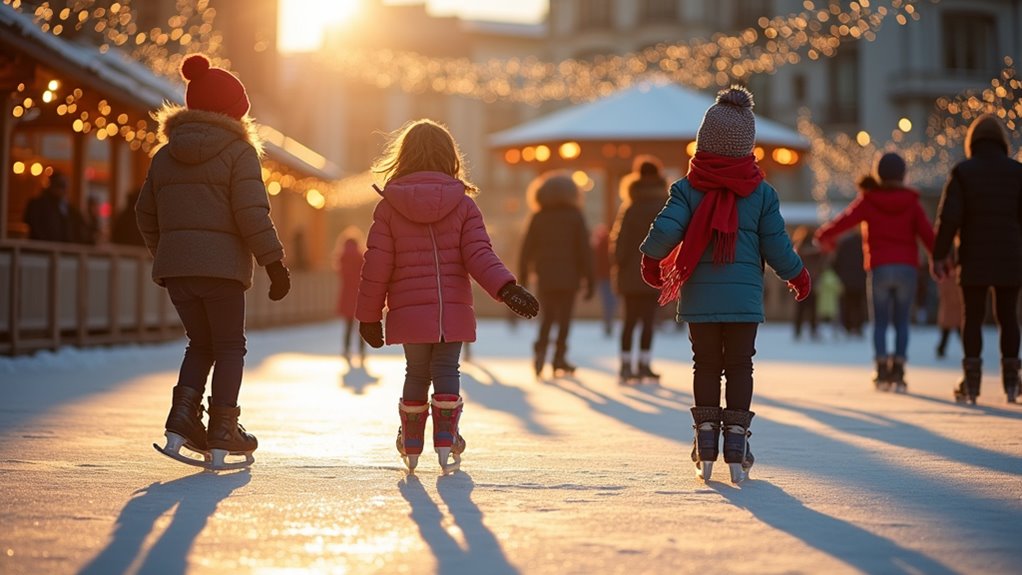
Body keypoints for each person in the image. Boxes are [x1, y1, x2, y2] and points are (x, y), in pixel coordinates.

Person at [639, 87, 808, 484]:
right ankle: (736, 440)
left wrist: (651, 260)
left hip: (700, 297)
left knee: (706, 365)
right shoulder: (762, 194)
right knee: (739, 366)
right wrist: (797, 274)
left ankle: (705, 437)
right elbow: (777, 244)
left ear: (704, 141)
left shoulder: (687, 188)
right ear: (747, 145)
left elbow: (666, 229)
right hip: (744, 298)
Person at [356, 119, 539, 473]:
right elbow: (479, 255)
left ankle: (412, 441)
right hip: (450, 311)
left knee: (416, 372)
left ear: (404, 156)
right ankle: (446, 437)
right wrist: (506, 288)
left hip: (408, 312)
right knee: (446, 369)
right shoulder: (464, 205)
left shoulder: (388, 207)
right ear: (449, 157)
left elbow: (376, 264)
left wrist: (368, 315)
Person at [140, 54, 291, 471]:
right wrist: (274, 263)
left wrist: (168, 252)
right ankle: (223, 428)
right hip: (222, 272)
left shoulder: (164, 155)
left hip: (178, 272)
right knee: (228, 347)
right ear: (233, 111)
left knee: (200, 344)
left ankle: (181, 421)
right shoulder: (239, 152)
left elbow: (144, 214)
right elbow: (251, 213)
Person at [815, 154, 934, 392]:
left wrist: (824, 236)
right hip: (906, 268)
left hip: (880, 267)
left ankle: (881, 370)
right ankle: (898, 370)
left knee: (880, 322)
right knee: (901, 322)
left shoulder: (869, 200)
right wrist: (940, 258)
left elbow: (845, 220)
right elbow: (928, 235)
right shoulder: (911, 202)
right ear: (903, 174)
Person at [932, 114, 1022, 404]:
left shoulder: (963, 172)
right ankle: (1012, 381)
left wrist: (939, 255)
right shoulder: (1017, 172)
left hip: (973, 256)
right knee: (1008, 316)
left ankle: (971, 382)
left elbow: (949, 219)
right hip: (1010, 256)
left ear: (973, 141)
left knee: (972, 316)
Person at [519, 171, 594, 378]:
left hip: (545, 275)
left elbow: (526, 249)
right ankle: (559, 357)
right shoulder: (576, 216)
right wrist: (590, 279)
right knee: (564, 320)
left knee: (547, 317)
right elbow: (585, 250)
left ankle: (540, 350)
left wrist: (523, 277)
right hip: (570, 277)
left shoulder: (538, 216)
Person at [610, 155, 668, 384]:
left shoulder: (631, 205)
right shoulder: (664, 205)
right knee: (648, 321)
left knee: (629, 321)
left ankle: (625, 365)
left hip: (629, 274)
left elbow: (620, 242)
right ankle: (644, 364)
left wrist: (620, 264)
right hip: (655, 271)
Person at [334, 227, 365, 365]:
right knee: (362, 325)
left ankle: (346, 349)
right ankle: (362, 350)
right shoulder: (361, 256)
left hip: (346, 295)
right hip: (359, 294)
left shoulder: (341, 257)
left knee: (348, 325)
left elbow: (341, 274)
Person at [23, 171, 79, 243]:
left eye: (65, 186)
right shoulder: (37, 205)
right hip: (41, 248)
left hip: (61, 248)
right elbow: (33, 226)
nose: (63, 190)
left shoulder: (68, 208)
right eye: (59, 185)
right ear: (51, 185)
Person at [791, 225, 824, 340]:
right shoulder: (817, 250)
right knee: (813, 308)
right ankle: (813, 330)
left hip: (800, 281)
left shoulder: (798, 249)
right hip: (813, 282)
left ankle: (797, 330)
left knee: (800, 308)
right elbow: (821, 265)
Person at [834, 228, 868, 336]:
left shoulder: (844, 243)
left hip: (846, 280)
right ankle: (858, 326)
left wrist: (840, 275)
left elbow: (837, 261)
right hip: (860, 279)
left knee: (847, 304)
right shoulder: (863, 243)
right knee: (859, 304)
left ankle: (847, 326)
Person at [591, 223, 617, 337]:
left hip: (604, 276)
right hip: (609, 276)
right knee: (611, 301)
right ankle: (608, 321)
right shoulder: (610, 240)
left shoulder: (601, 241)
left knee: (608, 301)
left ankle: (608, 321)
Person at [815, 265, 843, 338]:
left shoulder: (822, 277)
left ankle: (817, 331)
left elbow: (817, 289)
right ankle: (836, 332)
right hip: (832, 302)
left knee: (819, 317)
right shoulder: (835, 278)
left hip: (822, 302)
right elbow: (840, 290)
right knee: (835, 317)